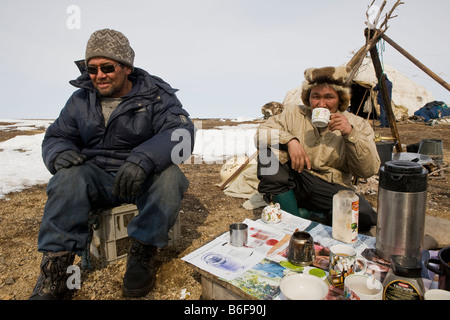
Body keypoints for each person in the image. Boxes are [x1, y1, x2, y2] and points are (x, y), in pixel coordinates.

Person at [29, 29, 195, 299]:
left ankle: (142, 250)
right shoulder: (80, 100)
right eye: (91, 69)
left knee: (171, 177)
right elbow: (57, 136)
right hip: (96, 178)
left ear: (126, 67)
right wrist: (58, 153)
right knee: (66, 178)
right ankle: (56, 272)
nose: (99, 75)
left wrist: (143, 160)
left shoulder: (157, 96)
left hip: (140, 177)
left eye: (107, 67)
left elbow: (181, 135)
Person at [255, 66, 380, 231]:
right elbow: (261, 134)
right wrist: (290, 141)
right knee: (267, 154)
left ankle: (312, 215)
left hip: (331, 187)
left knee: (364, 216)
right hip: (299, 179)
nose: (322, 104)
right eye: (316, 96)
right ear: (308, 98)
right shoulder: (293, 114)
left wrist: (350, 133)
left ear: (340, 99)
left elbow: (367, 170)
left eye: (329, 97)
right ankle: (294, 223)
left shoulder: (357, 124)